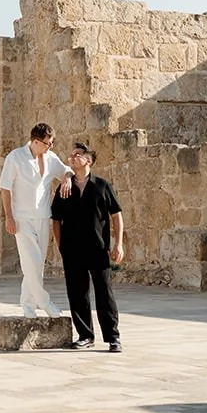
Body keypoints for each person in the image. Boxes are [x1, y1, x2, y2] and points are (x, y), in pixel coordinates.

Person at [49, 143, 124, 352]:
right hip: (72, 249)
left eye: (78, 155)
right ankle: (85, 335)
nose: (72, 158)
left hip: (98, 248)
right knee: (77, 292)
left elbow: (116, 215)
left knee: (104, 293)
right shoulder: (64, 187)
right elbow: (56, 219)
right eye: (71, 155)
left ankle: (113, 337)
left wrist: (118, 244)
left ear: (88, 160)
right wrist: (60, 244)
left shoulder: (102, 186)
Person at [0, 123, 75, 318]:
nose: (50, 147)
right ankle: (45, 302)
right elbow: (5, 188)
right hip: (22, 219)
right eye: (47, 143)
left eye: (52, 143)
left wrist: (66, 178)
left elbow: (66, 170)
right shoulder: (15, 157)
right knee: (30, 261)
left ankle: (27, 305)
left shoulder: (50, 158)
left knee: (37, 264)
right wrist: (9, 217)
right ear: (35, 141)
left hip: (42, 217)